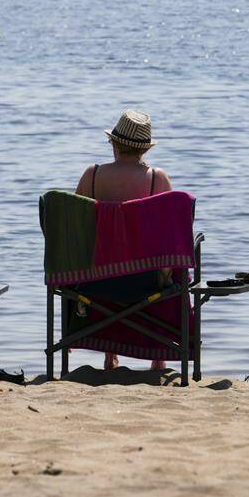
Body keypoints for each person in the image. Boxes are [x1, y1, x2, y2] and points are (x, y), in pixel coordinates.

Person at [75, 109, 173, 371]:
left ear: (113, 143)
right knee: (172, 266)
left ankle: (110, 353)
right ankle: (159, 356)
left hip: (95, 280)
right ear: (145, 149)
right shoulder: (157, 179)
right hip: (147, 282)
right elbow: (171, 234)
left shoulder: (91, 175)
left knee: (106, 253)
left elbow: (75, 227)